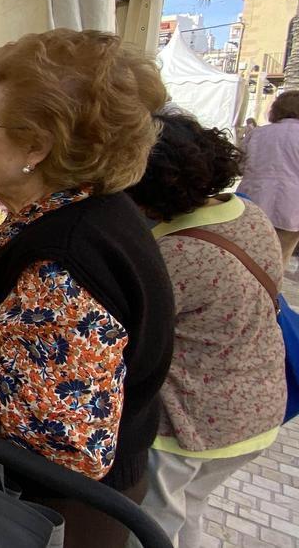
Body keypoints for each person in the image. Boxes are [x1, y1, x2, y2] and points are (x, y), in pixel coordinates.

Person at [0, 29, 175, 548]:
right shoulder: (66, 208)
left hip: (38, 517)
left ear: (37, 146)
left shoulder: (67, 259)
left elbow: (64, 434)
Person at [125, 113, 286, 547]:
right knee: (188, 510)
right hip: (259, 410)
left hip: (192, 426)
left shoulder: (176, 253)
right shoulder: (249, 214)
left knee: (151, 527)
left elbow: (127, 336)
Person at [238, 89, 299, 267]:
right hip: (292, 208)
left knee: (248, 256)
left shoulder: (257, 134)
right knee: (280, 258)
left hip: (253, 201)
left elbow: (240, 165)